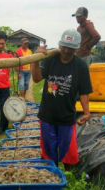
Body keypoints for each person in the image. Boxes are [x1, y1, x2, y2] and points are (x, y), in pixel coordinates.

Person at [31, 29, 92, 168]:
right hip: (47, 115)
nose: (65, 51)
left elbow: (84, 92)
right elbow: (36, 78)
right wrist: (35, 59)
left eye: (70, 48)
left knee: (68, 154)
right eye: (63, 47)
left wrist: (87, 113)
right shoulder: (51, 59)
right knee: (48, 153)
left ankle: (68, 179)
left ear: (76, 48)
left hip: (67, 117)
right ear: (59, 45)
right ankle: (52, 176)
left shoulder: (80, 66)